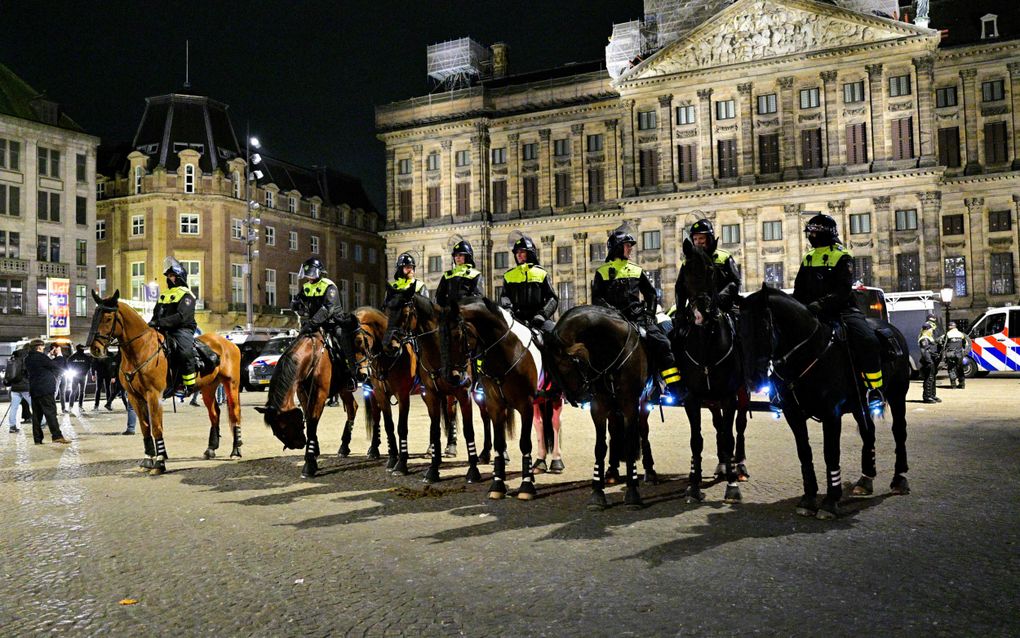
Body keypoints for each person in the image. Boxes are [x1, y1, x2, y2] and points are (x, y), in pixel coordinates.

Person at [792, 214, 884, 408]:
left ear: (826, 233)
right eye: (811, 232)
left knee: (867, 339)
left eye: (815, 232)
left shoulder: (842, 255)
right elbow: (799, 289)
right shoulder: (808, 256)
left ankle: (874, 390)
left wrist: (821, 303)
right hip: (813, 312)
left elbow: (843, 290)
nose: (811, 236)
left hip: (842, 310)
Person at [591, 229, 682, 394]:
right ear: (617, 248)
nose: (630, 249)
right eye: (627, 246)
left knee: (663, 342)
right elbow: (597, 298)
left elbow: (651, 294)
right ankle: (592, 387)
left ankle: (672, 384)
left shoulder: (636, 269)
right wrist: (611, 312)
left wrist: (649, 314)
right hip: (612, 319)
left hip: (637, 317)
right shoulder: (602, 272)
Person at [291, 256, 359, 373]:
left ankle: (353, 371)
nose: (308, 276)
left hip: (333, 322)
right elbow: (299, 300)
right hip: (315, 324)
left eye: (310, 273)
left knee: (343, 341)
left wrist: (312, 323)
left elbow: (327, 308)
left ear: (318, 272)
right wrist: (295, 304)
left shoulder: (329, 286)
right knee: (297, 342)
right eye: (307, 274)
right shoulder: (306, 287)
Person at [149, 256, 199, 397]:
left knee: (184, 351)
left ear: (179, 277)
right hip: (164, 329)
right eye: (168, 276)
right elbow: (156, 313)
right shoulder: (164, 294)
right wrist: (151, 324)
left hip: (182, 329)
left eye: (172, 275)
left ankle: (188, 385)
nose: (169, 278)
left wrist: (159, 323)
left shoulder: (187, 295)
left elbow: (181, 316)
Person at [673, 219, 742, 321]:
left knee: (742, 328)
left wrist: (719, 299)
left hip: (724, 306)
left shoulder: (724, 256)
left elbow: (736, 282)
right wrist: (680, 312)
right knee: (678, 332)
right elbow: (680, 288)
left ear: (709, 238)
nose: (698, 242)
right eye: (695, 239)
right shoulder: (688, 261)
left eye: (701, 238)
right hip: (696, 307)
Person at [499, 235, 558, 335]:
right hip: (516, 320)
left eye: (522, 252)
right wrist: (507, 309)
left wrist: (542, 315)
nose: (518, 255)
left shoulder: (541, 273)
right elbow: (505, 296)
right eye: (517, 252)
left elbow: (552, 299)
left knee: (557, 334)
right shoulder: (508, 275)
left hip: (539, 320)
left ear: (530, 253)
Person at [25, 339, 70, 444]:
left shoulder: (28, 358)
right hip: (45, 389)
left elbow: (44, 364)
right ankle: (56, 436)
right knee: (50, 413)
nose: (44, 349)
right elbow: (57, 366)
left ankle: (37, 439)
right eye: (43, 347)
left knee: (36, 416)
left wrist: (49, 355)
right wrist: (59, 355)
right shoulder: (40, 357)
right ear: (39, 347)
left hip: (35, 389)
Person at [435, 240, 484, 307]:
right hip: (450, 311)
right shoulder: (447, 275)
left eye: (460, 255)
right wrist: (448, 307)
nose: (457, 257)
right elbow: (439, 296)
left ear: (467, 257)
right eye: (455, 255)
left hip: (468, 311)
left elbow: (477, 296)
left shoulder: (475, 274)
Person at [4, 344, 31, 433]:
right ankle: (42, 422)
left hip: (14, 388)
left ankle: (12, 427)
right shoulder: (27, 359)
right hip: (26, 387)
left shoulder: (13, 359)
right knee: (34, 406)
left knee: (13, 408)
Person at [918, 315, 941, 403]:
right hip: (928, 361)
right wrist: (929, 362)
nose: (932, 330)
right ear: (927, 330)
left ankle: (932, 395)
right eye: (930, 329)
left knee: (932, 378)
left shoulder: (930, 338)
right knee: (929, 378)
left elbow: (931, 350)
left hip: (932, 360)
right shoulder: (924, 339)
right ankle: (927, 397)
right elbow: (925, 351)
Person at [942, 321, 970, 389]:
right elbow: (965, 343)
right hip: (959, 353)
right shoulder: (961, 334)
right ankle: (962, 383)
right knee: (960, 368)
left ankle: (953, 384)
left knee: (951, 368)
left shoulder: (948, 334)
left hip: (950, 353)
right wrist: (964, 351)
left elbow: (944, 344)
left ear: (949, 327)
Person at [67, 344, 91, 415]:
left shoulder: (85, 357)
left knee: (81, 392)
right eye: (82, 348)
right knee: (74, 391)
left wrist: (85, 373)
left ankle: (80, 406)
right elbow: (68, 365)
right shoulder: (73, 357)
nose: (83, 349)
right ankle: (71, 407)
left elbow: (89, 366)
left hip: (82, 376)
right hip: (76, 376)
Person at [49, 344, 69, 414]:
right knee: (55, 393)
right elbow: (49, 365)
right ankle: (53, 409)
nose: (58, 350)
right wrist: (51, 354)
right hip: (55, 376)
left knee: (62, 393)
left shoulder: (63, 358)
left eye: (58, 348)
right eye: (56, 349)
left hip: (63, 376)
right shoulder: (52, 358)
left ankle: (63, 409)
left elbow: (67, 368)